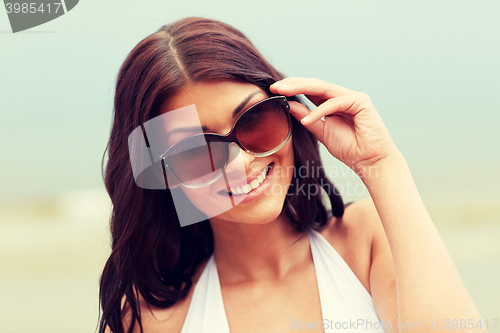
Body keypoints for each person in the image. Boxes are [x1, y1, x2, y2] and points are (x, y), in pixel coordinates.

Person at [99, 17, 485, 333]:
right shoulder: (156, 318)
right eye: (197, 151)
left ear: (287, 109)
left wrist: (383, 165)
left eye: (254, 120)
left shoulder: (364, 241)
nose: (238, 163)